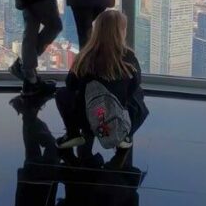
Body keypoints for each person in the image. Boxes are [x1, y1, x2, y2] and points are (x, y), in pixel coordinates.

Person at [56, 10, 148, 162]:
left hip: (87, 119)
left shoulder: (84, 57)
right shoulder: (129, 58)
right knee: (138, 94)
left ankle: (73, 134)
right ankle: (125, 135)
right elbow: (135, 85)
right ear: (121, 32)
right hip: (117, 116)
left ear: (96, 31)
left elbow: (70, 84)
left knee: (62, 94)